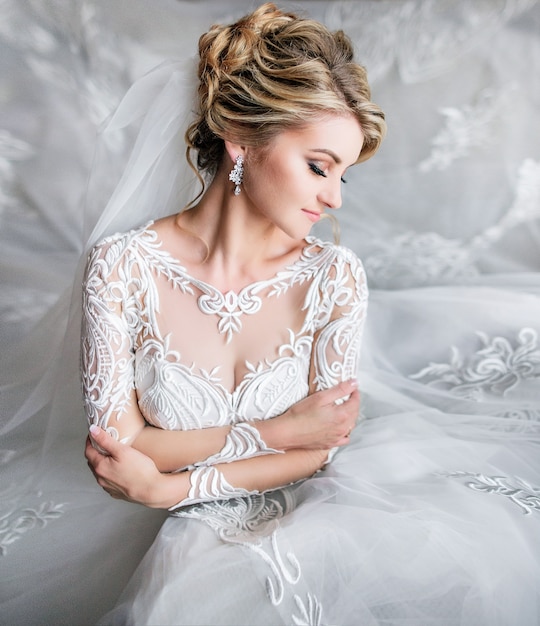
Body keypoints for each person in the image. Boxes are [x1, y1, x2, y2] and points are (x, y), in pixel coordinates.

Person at [82, 4, 540, 626]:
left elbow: (318, 451)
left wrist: (171, 486)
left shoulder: (333, 276)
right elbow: (120, 450)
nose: (334, 197)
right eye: (319, 166)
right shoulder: (122, 266)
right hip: (168, 543)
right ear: (240, 141)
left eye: (344, 175)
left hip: (316, 518)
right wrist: (276, 433)